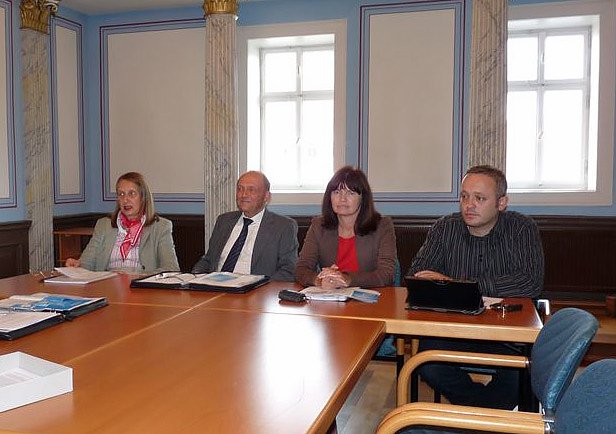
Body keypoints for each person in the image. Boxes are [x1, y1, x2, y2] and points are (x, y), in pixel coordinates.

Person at [408, 165, 544, 410]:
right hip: (455, 330)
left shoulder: (521, 228)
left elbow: (530, 282)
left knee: (521, 375)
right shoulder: (445, 228)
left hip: (508, 335)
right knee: (427, 363)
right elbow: (417, 275)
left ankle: (474, 416)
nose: (469, 205)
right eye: (464, 196)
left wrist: (460, 286)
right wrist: (451, 286)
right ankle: (481, 414)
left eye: (479, 198)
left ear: (501, 203)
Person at [295, 166, 397, 289]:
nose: (342, 199)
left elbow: (386, 274)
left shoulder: (382, 226)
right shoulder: (318, 226)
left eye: (350, 193)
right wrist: (320, 280)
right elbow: (301, 269)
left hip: (370, 296)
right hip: (330, 296)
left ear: (363, 198)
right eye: (337, 192)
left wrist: (346, 279)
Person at [192, 171, 298, 281]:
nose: (244, 195)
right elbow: (209, 259)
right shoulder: (224, 221)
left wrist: (259, 286)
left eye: (251, 190)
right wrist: (194, 277)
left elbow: (289, 269)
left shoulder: (283, 226)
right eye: (240, 189)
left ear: (266, 196)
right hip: (215, 285)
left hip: (255, 289)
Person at [65, 172, 180, 273]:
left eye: (132, 193)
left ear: (143, 197)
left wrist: (137, 276)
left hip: (141, 287)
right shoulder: (104, 225)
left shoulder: (161, 227)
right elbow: (87, 263)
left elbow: (171, 269)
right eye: (121, 194)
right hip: (107, 286)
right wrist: (77, 265)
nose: (125, 199)